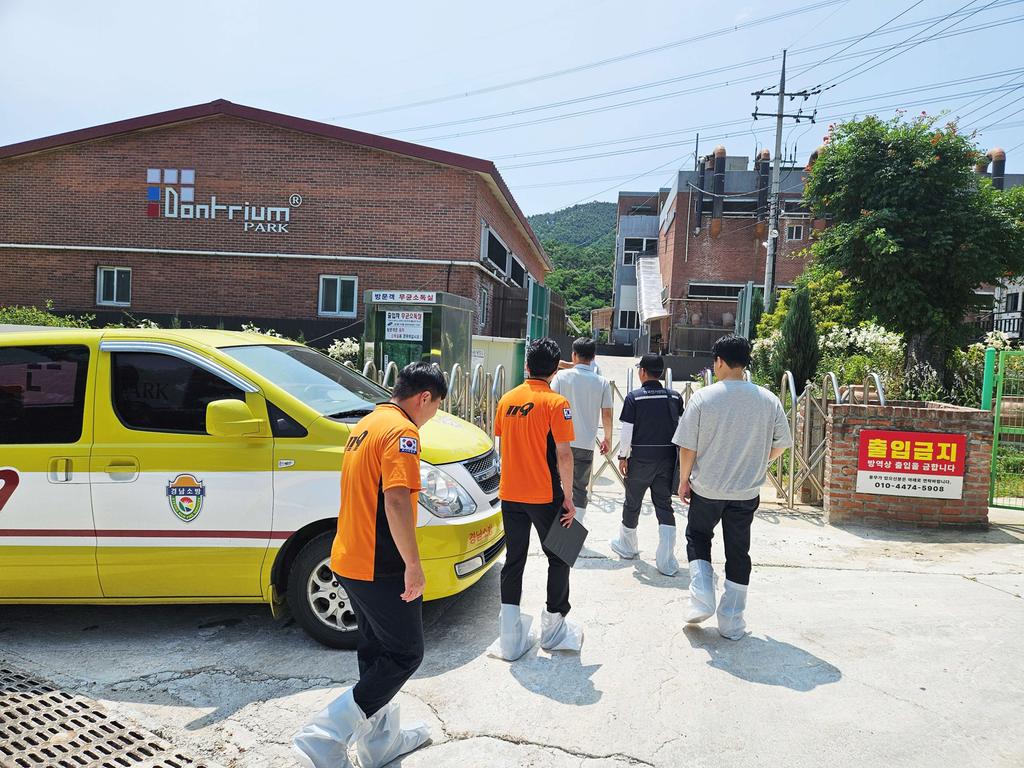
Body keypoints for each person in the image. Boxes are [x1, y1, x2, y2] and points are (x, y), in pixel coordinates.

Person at [293, 362, 447, 768]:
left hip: (350, 556)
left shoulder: (366, 424)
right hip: (381, 564)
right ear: (424, 397)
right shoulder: (402, 432)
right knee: (405, 655)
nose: (431, 418)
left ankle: (378, 743)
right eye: (434, 408)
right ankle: (324, 734)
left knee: (377, 653)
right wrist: (413, 565)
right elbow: (396, 500)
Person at [672, 335, 792, 640]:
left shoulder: (704, 398)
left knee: (698, 536)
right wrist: (759, 459)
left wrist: (684, 479)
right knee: (739, 551)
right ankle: (732, 620)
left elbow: (687, 447)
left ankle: (702, 596)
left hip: (708, 487)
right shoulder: (768, 399)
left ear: (720, 362)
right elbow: (782, 444)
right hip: (745, 491)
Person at [492, 337, 583, 660]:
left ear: (527, 366)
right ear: (555, 370)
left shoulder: (506, 400)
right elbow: (564, 454)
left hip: (510, 494)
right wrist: (569, 497)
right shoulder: (556, 403)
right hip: (544, 494)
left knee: (513, 561)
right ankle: (554, 629)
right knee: (561, 555)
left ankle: (509, 637)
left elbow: (502, 444)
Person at [610, 354, 683, 576]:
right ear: (660, 373)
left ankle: (628, 547)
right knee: (664, 505)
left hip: (640, 460)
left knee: (633, 503)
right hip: (667, 460)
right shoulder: (674, 397)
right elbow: (682, 428)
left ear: (642, 372)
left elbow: (627, 432)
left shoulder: (635, 397)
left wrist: (623, 457)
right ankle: (666, 561)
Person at [551, 337, 613, 522]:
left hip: (560, 441)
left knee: (556, 483)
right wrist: (607, 438)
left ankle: (555, 528)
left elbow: (550, 404)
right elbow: (607, 414)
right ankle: (573, 534)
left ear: (573, 355)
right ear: (593, 357)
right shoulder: (602, 382)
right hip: (586, 444)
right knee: (579, 488)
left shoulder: (561, 377)